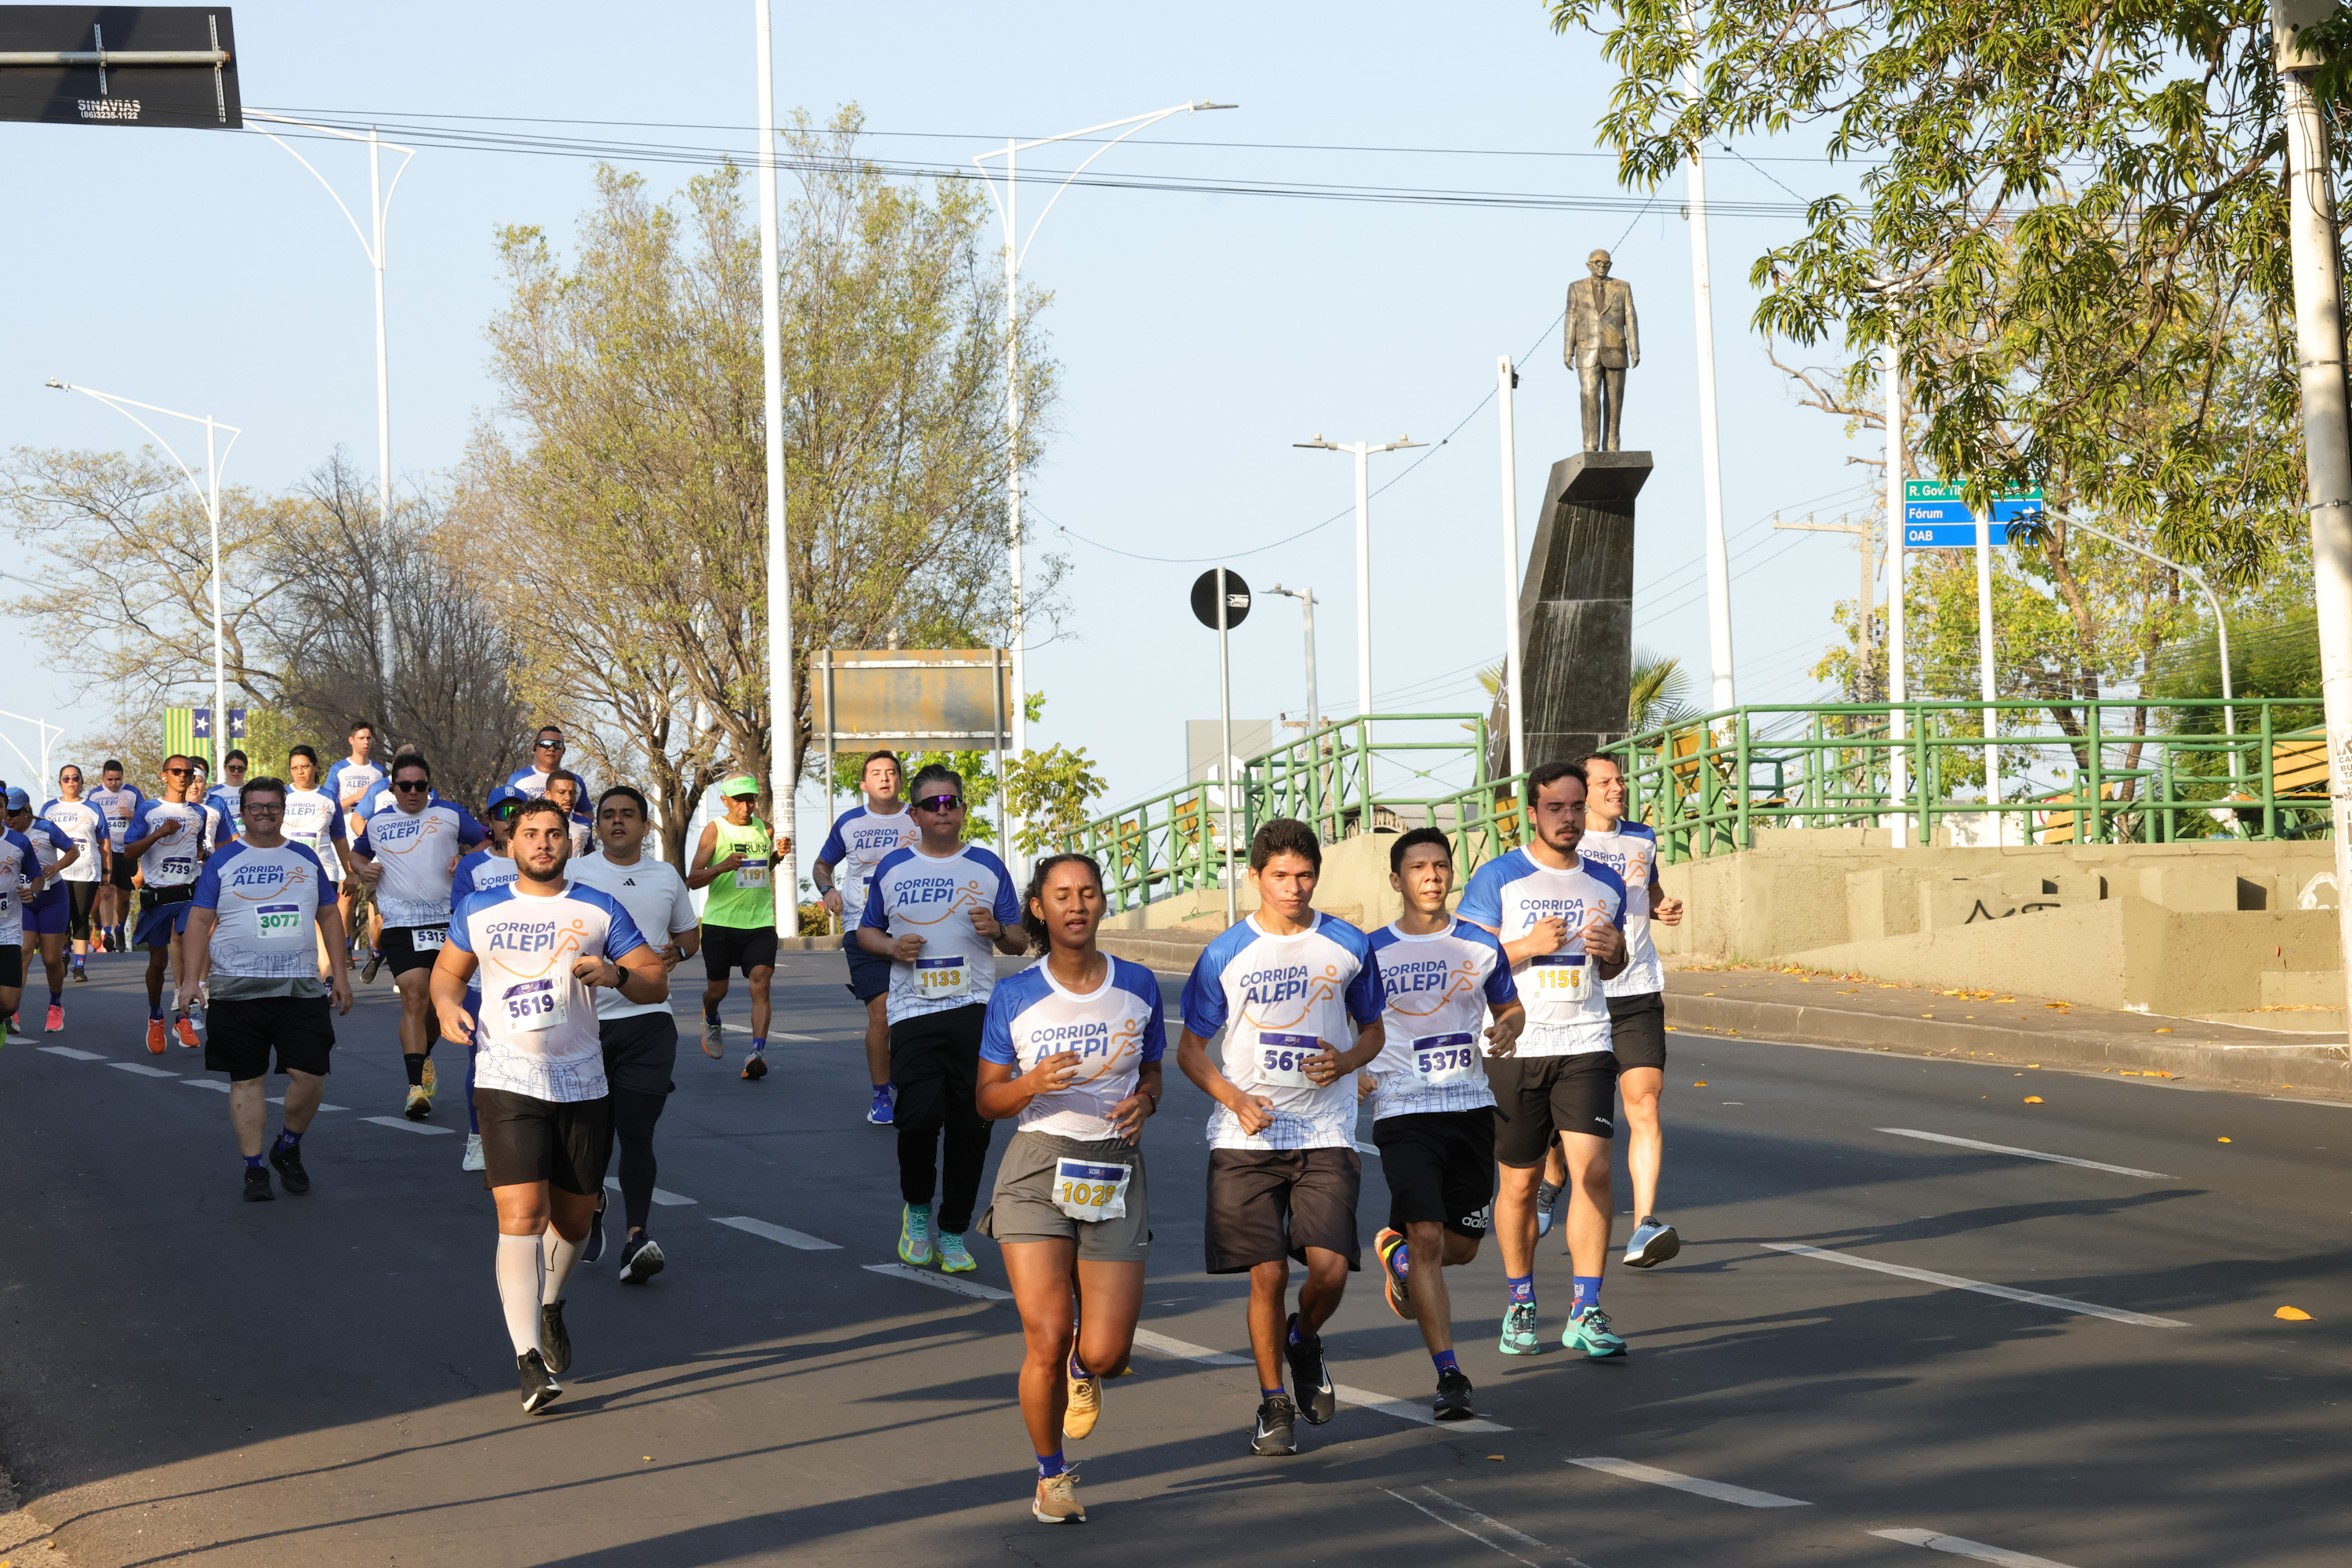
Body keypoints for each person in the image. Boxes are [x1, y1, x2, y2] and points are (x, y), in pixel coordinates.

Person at [430, 797, 665, 1416]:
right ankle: (529, 1360)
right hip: (506, 1076)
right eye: (530, 834)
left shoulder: (597, 908)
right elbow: (447, 974)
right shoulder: (480, 908)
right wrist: (447, 1005)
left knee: (576, 1218)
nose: (542, 843)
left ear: (570, 843)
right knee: (522, 1212)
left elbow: (654, 978)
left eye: (554, 834)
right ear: (511, 843)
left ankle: (551, 1303)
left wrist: (616, 975)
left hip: (583, 1080)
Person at [1174, 818, 1384, 1457]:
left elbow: (1373, 1030)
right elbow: (1189, 1050)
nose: (1293, 888)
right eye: (1280, 876)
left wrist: (1348, 1063)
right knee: (1264, 1273)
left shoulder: (1348, 943)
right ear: (1255, 878)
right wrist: (1234, 1099)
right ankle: (1273, 1404)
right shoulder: (1225, 953)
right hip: (1245, 1139)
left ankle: (1305, 1338)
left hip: (1324, 1129)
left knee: (1329, 1269)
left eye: (1304, 875)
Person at [975, 852, 1163, 1525]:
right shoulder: (1015, 994)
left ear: (1102, 904)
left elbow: (1152, 1077)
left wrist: (1145, 1101)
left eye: (1088, 893)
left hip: (1114, 1165)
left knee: (1105, 1352)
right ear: (1039, 908)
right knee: (1047, 1337)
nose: (1076, 905)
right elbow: (987, 1101)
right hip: (1036, 1168)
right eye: (1062, 895)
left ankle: (1087, 1375)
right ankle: (1051, 1476)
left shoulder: (1139, 984)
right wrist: (1030, 1084)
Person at [1458, 760, 1630, 1361]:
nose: (1568, 818)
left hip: (1585, 1040)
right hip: (1515, 1045)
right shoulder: (1499, 878)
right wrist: (1526, 947)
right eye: (1555, 808)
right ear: (1531, 813)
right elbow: (1466, 962)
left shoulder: (1606, 880)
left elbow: (1612, 962)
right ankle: (1521, 1300)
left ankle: (1586, 1309)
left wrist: (1613, 952)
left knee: (1594, 1171)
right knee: (1522, 1181)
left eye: (1576, 807)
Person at [1359, 827, 1523, 1421]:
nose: (1431, 875)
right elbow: (1342, 1018)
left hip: (1471, 1106)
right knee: (1428, 1234)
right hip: (1403, 1107)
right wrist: (1354, 1065)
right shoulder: (1369, 950)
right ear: (1397, 879)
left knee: (1462, 1247)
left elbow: (1509, 1005)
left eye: (1440, 866)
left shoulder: (1481, 945)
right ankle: (1449, 1373)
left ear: (1452, 874)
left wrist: (1510, 1026)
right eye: (1418, 867)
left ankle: (1397, 1256)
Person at [858, 764, 1025, 1274]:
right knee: (918, 1120)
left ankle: (952, 1232)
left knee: (972, 1130)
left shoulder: (988, 865)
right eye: (932, 804)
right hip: (913, 1013)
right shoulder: (893, 867)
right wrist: (890, 946)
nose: (943, 811)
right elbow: (866, 932)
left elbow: (1019, 941)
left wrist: (996, 928)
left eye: (951, 802)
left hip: (975, 1014)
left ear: (963, 809)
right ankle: (916, 1210)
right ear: (915, 813)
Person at [1540, 752, 1686, 1268]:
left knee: (1644, 1100)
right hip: (1579, 994)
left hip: (1638, 986)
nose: (1618, 787)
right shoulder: (1563, 845)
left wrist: (1662, 905)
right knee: (1567, 1114)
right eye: (1605, 781)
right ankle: (1553, 1172)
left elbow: (1650, 887)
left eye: (1621, 779)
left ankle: (1644, 1225)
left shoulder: (1641, 837)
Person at [185, 775, 354, 1201]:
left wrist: (341, 974)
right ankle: (254, 1169)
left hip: (300, 988)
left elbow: (329, 916)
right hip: (236, 989)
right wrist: (190, 980)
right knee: (247, 1079)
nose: (264, 813)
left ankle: (288, 1148)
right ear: (242, 813)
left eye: (272, 806)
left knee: (311, 1075)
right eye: (255, 806)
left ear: (283, 810)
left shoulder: (304, 856)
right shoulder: (222, 860)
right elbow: (200, 922)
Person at [568, 786, 700, 1283]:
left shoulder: (665, 876)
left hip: (648, 1021)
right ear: (597, 826)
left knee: (637, 1130)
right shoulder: (576, 875)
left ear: (646, 827)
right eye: (608, 815)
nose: (618, 822)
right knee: (593, 1133)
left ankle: (636, 1238)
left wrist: (677, 955)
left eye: (628, 815)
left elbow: (689, 936)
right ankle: (594, 1203)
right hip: (585, 1023)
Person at [352, 753, 488, 1118]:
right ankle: (415, 1087)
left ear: (429, 786)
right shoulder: (379, 822)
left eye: (421, 785)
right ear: (393, 788)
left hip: (447, 919)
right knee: (413, 995)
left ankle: (424, 1055)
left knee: (434, 1002)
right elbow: (356, 854)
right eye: (406, 786)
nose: (414, 792)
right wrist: (365, 871)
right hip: (399, 919)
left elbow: (486, 841)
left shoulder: (450, 814)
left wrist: (467, 859)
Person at [815, 750, 922, 1127]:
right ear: (863, 784)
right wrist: (828, 889)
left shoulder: (918, 817)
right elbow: (822, 864)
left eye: (891, 772)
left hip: (913, 926)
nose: (884, 778)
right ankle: (880, 1097)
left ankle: (904, 1069)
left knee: (914, 1010)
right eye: (876, 773)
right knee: (881, 1011)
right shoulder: (850, 822)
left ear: (900, 780)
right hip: (863, 927)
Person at [451, 787, 528, 1173]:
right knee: (482, 1062)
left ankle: (523, 1136)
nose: (511, 819)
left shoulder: (540, 861)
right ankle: (478, 1138)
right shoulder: (471, 867)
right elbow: (461, 924)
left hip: (533, 980)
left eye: (520, 813)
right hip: (484, 982)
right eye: (504, 813)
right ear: (491, 820)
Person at [686, 775, 783, 1080]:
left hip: (760, 921)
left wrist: (778, 855)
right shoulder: (715, 830)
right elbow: (693, 878)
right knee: (718, 990)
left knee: (762, 981)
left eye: (751, 799)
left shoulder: (764, 829)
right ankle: (711, 1016)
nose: (746, 806)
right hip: (720, 923)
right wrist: (721, 866)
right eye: (739, 800)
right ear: (725, 800)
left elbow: (760, 868)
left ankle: (756, 1052)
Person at [121, 756, 218, 1052]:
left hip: (189, 893)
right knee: (157, 963)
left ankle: (185, 1018)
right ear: (164, 776)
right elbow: (128, 852)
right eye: (176, 771)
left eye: (188, 773)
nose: (183, 776)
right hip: (158, 896)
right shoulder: (150, 809)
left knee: (190, 943)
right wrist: (161, 832)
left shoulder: (200, 813)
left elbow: (199, 848)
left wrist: (206, 859)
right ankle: (155, 1016)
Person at [281, 746, 358, 980]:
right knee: (292, 926)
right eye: (295, 768)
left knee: (318, 924)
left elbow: (339, 838)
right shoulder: (282, 795)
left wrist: (350, 871)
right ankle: (296, 976)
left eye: (304, 766)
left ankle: (328, 978)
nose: (300, 772)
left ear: (315, 766)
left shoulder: (328, 797)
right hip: (287, 871)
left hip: (323, 870)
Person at [10, 790, 81, 1034]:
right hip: (23, 901)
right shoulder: (4, 834)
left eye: (14, 813)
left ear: (26, 810)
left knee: (51, 959)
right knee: (22, 954)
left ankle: (55, 1004)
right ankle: (11, 1011)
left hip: (53, 898)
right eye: (5, 813)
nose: (9, 818)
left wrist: (56, 866)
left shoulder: (46, 828)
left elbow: (73, 851)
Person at [325, 722, 385, 971]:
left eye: (369, 737)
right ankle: (345, 946)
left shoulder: (380, 771)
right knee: (348, 895)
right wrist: (356, 797)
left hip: (375, 839)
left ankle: (377, 947)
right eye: (361, 737)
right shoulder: (339, 769)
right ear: (351, 740)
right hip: (347, 838)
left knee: (376, 895)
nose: (366, 742)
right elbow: (327, 804)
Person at [41, 766, 109, 983]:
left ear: (81, 781)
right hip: (56, 871)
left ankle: (79, 967)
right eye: (66, 778)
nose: (71, 782)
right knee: (61, 918)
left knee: (80, 917)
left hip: (86, 870)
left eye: (75, 778)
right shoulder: (49, 808)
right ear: (60, 782)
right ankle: (63, 955)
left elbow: (104, 842)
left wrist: (107, 872)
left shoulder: (92, 807)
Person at [89, 758, 145, 953]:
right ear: (103, 778)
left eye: (118, 779)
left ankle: (120, 928)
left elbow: (146, 816)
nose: (114, 783)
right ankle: (107, 932)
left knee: (123, 898)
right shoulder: (95, 795)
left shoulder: (132, 792)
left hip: (127, 850)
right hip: (105, 851)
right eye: (110, 779)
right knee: (106, 892)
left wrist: (132, 814)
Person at [0, 806, 45, 1045]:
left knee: (9, 1004)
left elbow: (38, 876)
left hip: (8, 932)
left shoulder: (19, 842)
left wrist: (33, 894)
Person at [544, 770, 593, 857]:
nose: (568, 798)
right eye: (561, 792)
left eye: (573, 793)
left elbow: (589, 853)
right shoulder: (535, 823)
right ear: (548, 795)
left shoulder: (585, 824)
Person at [207, 750, 251, 839]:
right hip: (223, 842)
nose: (236, 771)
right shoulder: (213, 793)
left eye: (240, 768)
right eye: (232, 768)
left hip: (250, 841)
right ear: (225, 767)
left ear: (245, 769)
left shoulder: (252, 790)